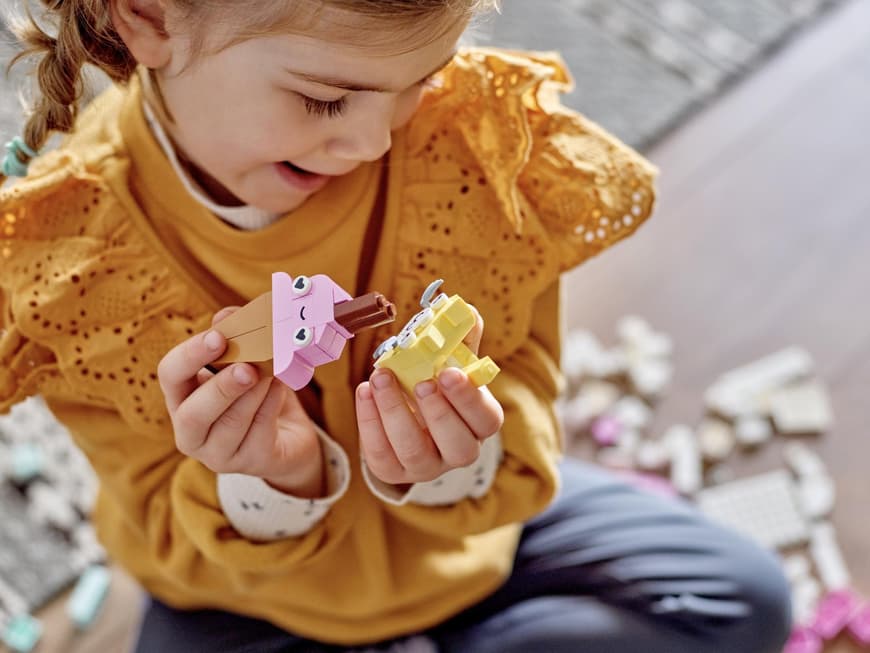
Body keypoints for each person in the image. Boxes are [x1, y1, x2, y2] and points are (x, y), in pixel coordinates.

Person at [0, 1, 792, 651]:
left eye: (423, 79)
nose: (373, 142)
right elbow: (162, 522)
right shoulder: (72, 257)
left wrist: (452, 460)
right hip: (246, 600)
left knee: (743, 598)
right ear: (146, 18)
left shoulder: (472, 150)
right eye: (325, 100)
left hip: (470, 543)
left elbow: (523, 385)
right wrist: (273, 479)